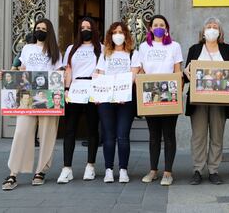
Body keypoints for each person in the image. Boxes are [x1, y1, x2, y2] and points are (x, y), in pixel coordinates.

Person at [1, 18, 62, 191]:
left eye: (43, 28)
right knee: (21, 131)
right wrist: (6, 77)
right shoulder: (27, 48)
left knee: (46, 134)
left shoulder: (56, 51)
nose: (40, 31)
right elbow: (22, 70)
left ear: (48, 32)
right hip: (27, 94)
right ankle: (13, 172)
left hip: (48, 95)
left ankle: (41, 171)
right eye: (37, 28)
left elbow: (58, 73)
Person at [184, 17, 229, 185]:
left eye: (215, 27)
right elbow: (187, 73)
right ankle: (198, 169)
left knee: (217, 135)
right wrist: (186, 73)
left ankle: (213, 170)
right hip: (198, 100)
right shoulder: (195, 49)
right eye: (209, 26)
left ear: (220, 32)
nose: (212, 29)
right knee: (198, 135)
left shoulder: (227, 50)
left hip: (220, 100)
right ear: (203, 31)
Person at [138, 14, 183, 186]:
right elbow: (141, 71)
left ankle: (168, 172)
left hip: (169, 94)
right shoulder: (143, 47)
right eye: (155, 24)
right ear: (150, 28)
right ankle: (153, 170)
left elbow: (178, 71)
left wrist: (177, 94)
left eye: (162, 25)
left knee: (169, 134)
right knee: (154, 135)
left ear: (166, 28)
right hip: (150, 95)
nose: (159, 27)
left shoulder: (174, 46)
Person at [57, 17, 102, 184]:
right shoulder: (71, 48)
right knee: (70, 129)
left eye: (88, 27)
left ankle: (90, 165)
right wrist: (66, 90)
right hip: (74, 89)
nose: (85, 30)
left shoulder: (101, 48)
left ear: (94, 30)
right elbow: (68, 70)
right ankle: (66, 168)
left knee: (92, 129)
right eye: (82, 27)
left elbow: (102, 71)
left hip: (92, 90)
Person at [95, 21, 141, 183]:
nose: (118, 35)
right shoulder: (105, 54)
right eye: (115, 32)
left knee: (122, 136)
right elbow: (99, 74)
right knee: (108, 136)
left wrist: (123, 92)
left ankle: (123, 169)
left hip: (125, 100)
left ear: (126, 35)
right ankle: (108, 169)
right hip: (106, 100)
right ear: (110, 35)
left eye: (121, 32)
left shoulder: (133, 54)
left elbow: (133, 75)